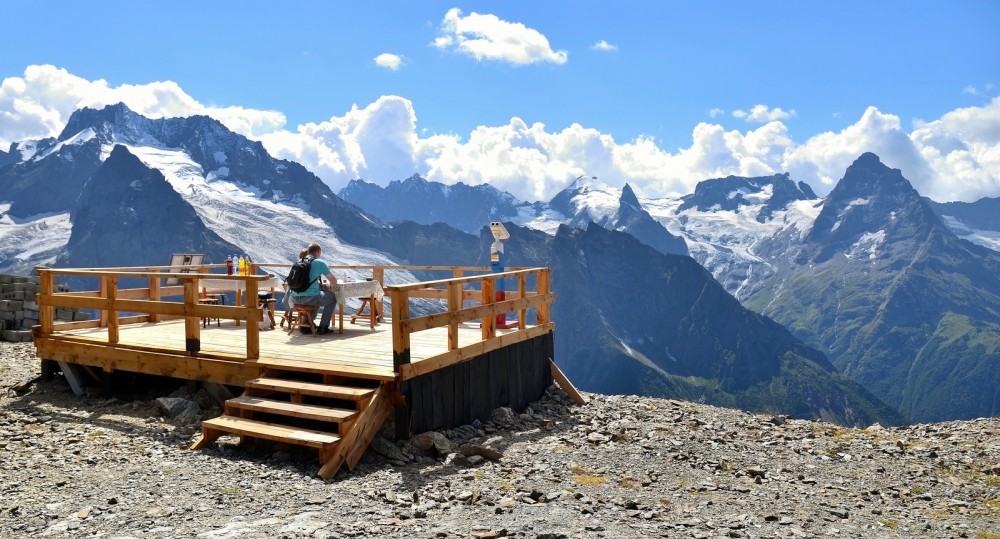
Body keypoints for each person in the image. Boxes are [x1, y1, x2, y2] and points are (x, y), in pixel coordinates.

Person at [288, 243, 338, 334]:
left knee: (316, 295)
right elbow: (334, 281)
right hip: (310, 298)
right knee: (332, 298)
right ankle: (323, 326)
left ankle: (306, 326)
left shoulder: (300, 261)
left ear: (309, 251)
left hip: (294, 299)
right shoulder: (319, 262)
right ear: (318, 251)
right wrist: (328, 284)